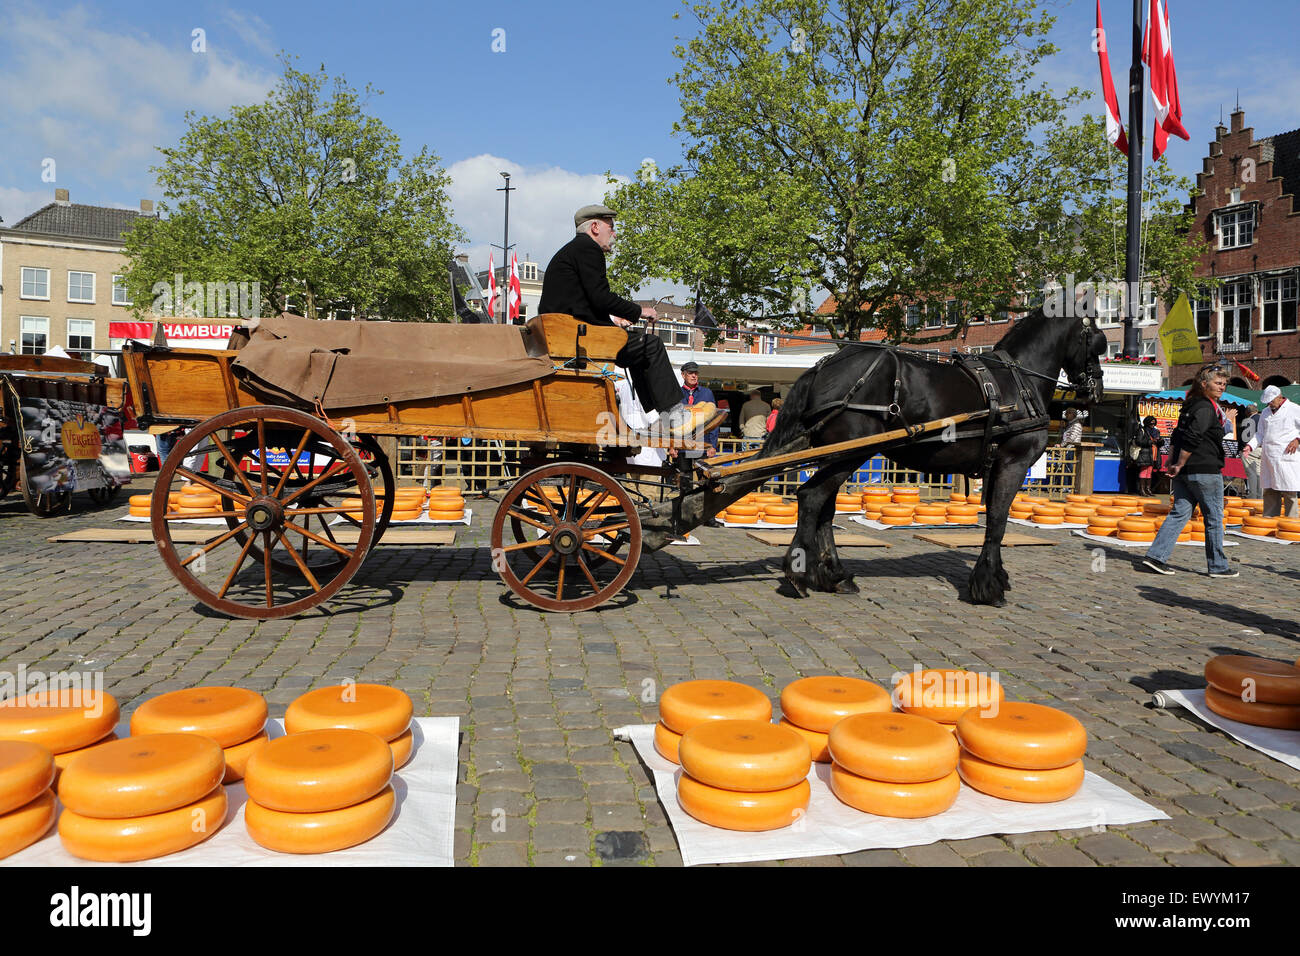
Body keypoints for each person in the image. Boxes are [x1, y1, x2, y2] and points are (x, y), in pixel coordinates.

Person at [538, 204, 714, 437]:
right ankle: (675, 416)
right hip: (579, 340)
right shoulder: (587, 250)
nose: (614, 234)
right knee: (650, 345)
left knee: (637, 350)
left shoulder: (571, 251)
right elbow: (600, 297)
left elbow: (585, 303)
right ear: (594, 227)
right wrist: (639, 311)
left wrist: (614, 324)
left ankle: (658, 418)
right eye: (610, 227)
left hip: (571, 335)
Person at [1140, 364, 1237, 577]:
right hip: (1204, 468)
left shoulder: (1190, 405)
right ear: (1204, 384)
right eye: (1217, 383)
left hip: (1186, 471)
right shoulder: (1204, 407)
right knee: (1213, 518)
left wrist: (1173, 462)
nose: (1222, 387)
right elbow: (1192, 437)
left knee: (1179, 514)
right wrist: (1180, 462)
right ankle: (1218, 566)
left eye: (1224, 384)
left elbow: (1176, 436)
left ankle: (1156, 557)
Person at [1247, 384, 1300, 517]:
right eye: (1268, 402)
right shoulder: (1265, 412)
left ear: (1280, 397)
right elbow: (1260, 434)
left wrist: (1297, 439)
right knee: (1269, 490)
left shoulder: (1294, 409)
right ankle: (1269, 519)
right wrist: (1250, 446)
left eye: (1271, 401)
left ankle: (1291, 522)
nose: (1270, 404)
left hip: (1286, 456)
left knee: (1289, 490)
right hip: (1269, 456)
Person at [679, 362, 719, 456]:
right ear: (683, 375)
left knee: (702, 471)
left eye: (696, 373)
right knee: (683, 471)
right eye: (690, 373)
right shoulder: (677, 394)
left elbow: (713, 420)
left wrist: (712, 445)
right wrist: (672, 446)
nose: (694, 376)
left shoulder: (707, 393)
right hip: (681, 445)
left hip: (703, 445)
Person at [1135, 415, 1161, 497]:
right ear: (1147, 423)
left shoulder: (1156, 431)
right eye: (1151, 424)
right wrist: (1150, 442)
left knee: (1149, 471)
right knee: (1144, 470)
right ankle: (1142, 490)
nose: (1152, 425)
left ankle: (1148, 489)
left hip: (1153, 452)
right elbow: (1138, 441)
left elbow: (1158, 443)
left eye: (1154, 424)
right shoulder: (1142, 430)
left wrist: (1160, 442)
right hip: (1145, 453)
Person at [1241, 408, 1263, 498]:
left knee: (1251, 473)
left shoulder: (1248, 420)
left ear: (1247, 412)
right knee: (1259, 473)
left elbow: (1243, 437)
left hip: (1251, 448)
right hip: (1262, 448)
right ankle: (1260, 496)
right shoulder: (1262, 418)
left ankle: (1253, 496)